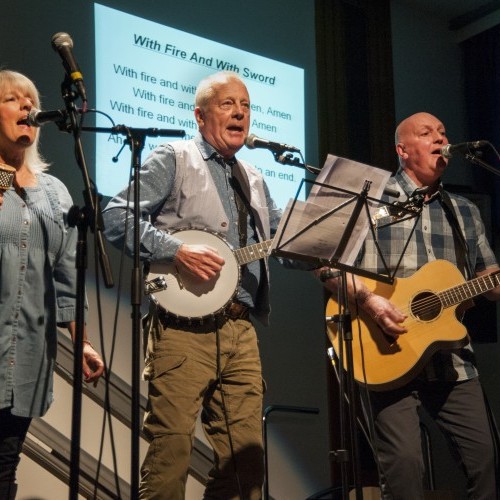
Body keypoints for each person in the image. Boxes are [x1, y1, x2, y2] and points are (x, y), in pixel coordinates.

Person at [102, 70, 284, 499]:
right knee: (172, 452)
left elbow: (285, 240)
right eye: (228, 104)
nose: (240, 112)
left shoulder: (255, 178)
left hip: (241, 329)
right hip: (182, 330)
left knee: (246, 460)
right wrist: (175, 251)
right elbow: (115, 215)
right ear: (201, 116)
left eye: (246, 105)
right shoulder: (175, 156)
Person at [317, 112, 499, 499]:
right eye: (426, 132)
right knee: (404, 470)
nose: (440, 137)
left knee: (485, 459)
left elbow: (490, 279)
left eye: (443, 132)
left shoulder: (464, 210)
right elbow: (326, 266)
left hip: (451, 358)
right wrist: (370, 302)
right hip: (386, 348)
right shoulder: (368, 198)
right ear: (402, 150)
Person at [0, 69, 105, 499]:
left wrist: (81, 342)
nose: (27, 107)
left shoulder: (54, 193)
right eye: (13, 99)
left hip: (26, 356)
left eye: (31, 100)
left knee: (4, 467)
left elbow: (66, 281)